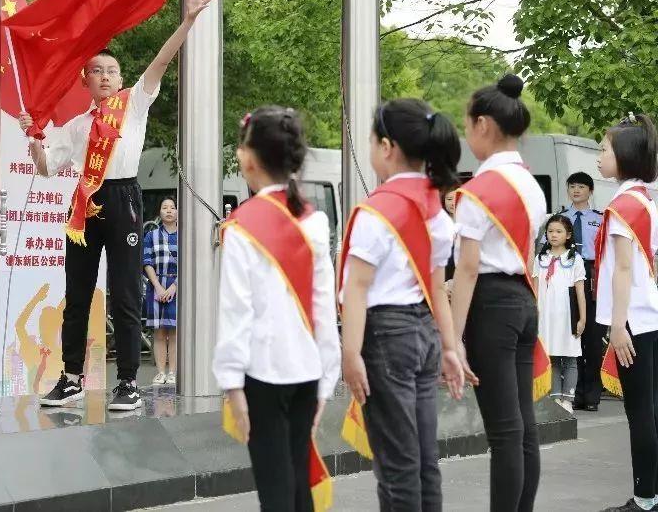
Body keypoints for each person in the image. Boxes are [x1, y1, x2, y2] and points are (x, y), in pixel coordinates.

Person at [21, 0, 216, 411]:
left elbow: (161, 62)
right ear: (85, 79)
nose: (106, 76)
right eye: (97, 71)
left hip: (124, 198)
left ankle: (127, 381)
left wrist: (187, 21)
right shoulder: (76, 126)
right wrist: (33, 138)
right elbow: (45, 167)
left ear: (122, 78)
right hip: (85, 205)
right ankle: (71, 377)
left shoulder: (134, 105)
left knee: (126, 294)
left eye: (112, 70)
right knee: (77, 292)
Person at [338, 98, 465, 511]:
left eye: (373, 140)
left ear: (387, 147)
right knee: (425, 461)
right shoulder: (436, 210)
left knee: (397, 466)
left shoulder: (378, 211)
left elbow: (357, 288)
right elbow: (436, 288)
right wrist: (449, 347)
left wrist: (350, 353)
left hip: (385, 337)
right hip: (424, 335)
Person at [213, 106, 340, 512]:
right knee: (297, 482)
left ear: (249, 160)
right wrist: (326, 379)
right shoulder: (315, 221)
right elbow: (324, 304)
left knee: (275, 488)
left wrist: (231, 385)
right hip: (308, 372)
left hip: (261, 375)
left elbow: (237, 312)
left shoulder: (241, 227)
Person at [450, 74, 548, 512]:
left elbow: (468, 268)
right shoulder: (530, 184)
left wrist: (451, 339)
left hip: (490, 305)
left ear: (484, 125)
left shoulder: (478, 192)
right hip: (524, 301)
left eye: (467, 125)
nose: (467, 134)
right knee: (523, 428)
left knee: (505, 433)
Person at [594, 113, 658, 512]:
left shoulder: (622, 205)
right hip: (650, 314)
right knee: (651, 408)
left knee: (640, 413)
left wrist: (618, 326)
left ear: (625, 155)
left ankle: (645, 498)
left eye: (604, 149)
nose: (599, 156)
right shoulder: (648, 201)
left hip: (632, 318)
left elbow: (621, 269)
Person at [550, 173, 606, 412]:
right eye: (572, 186)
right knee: (572, 335)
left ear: (590, 191)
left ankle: (590, 395)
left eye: (581, 186)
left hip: (592, 275)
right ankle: (570, 391)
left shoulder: (600, 219)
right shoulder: (560, 219)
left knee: (593, 337)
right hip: (566, 273)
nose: (576, 190)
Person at [532, 214, 586, 413]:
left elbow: (580, 291)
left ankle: (568, 398)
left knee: (570, 357)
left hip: (567, 316)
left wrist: (582, 318)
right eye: (550, 231)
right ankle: (555, 397)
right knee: (552, 357)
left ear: (568, 235)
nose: (553, 235)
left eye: (558, 231)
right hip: (546, 316)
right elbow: (536, 289)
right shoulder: (541, 258)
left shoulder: (575, 260)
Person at [143, 196, 178, 385]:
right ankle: (161, 372)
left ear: (178, 212)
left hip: (177, 287)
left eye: (172, 207)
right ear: (160, 212)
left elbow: (188, 263)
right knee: (158, 332)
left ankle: (172, 372)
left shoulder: (184, 235)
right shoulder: (151, 235)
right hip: (155, 286)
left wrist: (173, 287)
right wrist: (157, 286)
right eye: (165, 207)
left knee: (173, 332)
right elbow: (146, 261)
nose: (169, 210)